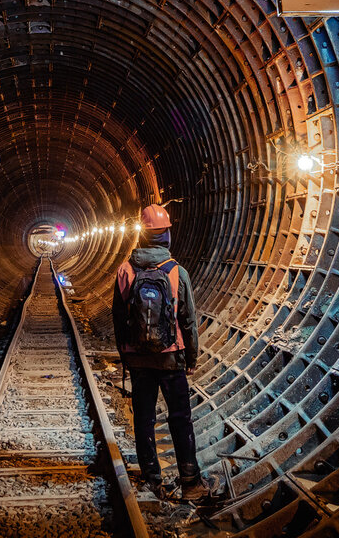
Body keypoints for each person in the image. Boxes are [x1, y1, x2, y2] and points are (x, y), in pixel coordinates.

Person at [112, 203, 206, 501]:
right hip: (171, 356)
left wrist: (126, 355)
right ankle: (190, 481)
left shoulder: (125, 270)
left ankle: (152, 477)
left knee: (144, 417)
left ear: (141, 235)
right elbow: (188, 320)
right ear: (166, 235)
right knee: (180, 417)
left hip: (139, 359)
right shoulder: (177, 272)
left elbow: (118, 317)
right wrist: (190, 358)